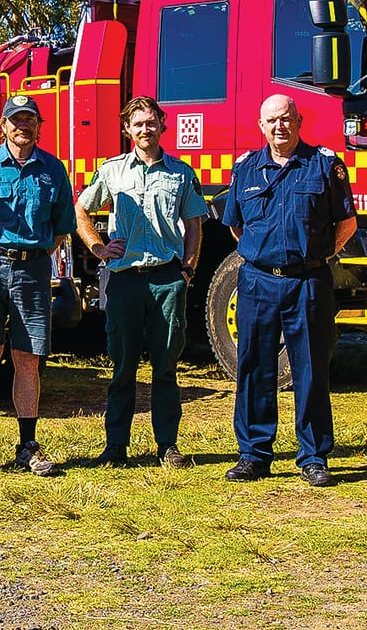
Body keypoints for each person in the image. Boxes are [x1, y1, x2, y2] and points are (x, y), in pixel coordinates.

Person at [218, 93, 356, 486]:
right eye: (271, 121)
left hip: (308, 281)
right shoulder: (245, 168)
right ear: (261, 127)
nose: (279, 126)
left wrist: (318, 256)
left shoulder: (324, 165)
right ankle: (254, 454)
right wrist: (264, 256)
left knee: (310, 368)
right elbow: (236, 225)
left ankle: (313, 456)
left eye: (286, 119)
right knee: (254, 367)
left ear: (298, 122)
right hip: (258, 280)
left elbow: (345, 223)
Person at [73, 96, 209, 468]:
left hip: (167, 280)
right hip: (125, 281)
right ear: (126, 130)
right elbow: (81, 208)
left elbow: (195, 223)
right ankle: (116, 446)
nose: (145, 129)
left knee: (165, 367)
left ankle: (167, 445)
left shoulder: (181, 174)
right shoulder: (112, 171)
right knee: (122, 368)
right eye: (138, 124)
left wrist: (188, 269)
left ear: (162, 125)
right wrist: (98, 248)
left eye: (151, 122)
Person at [0, 94, 77, 477]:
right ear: (2, 126)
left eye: (29, 120)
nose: (22, 126)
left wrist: (29, 255)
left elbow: (61, 228)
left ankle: (27, 445)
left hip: (34, 272)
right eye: (15, 120)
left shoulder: (53, 171)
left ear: (40, 126)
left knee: (28, 359)